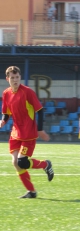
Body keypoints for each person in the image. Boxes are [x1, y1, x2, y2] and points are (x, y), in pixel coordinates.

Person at [0, 66, 54, 199]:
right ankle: (32, 192)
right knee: (15, 162)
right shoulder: (6, 93)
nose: (15, 80)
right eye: (12, 78)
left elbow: (40, 110)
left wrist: (40, 129)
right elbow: (6, 113)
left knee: (22, 162)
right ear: (8, 79)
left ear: (20, 77)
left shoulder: (27, 92)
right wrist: (2, 122)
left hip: (28, 133)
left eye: (17, 77)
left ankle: (45, 164)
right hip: (15, 132)